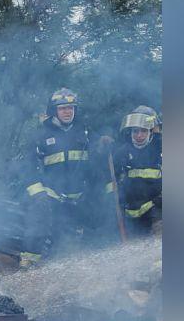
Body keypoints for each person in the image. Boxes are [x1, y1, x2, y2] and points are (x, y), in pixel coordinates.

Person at [21, 87, 93, 260]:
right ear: (54, 111)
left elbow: (96, 165)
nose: (67, 112)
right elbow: (27, 166)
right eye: (62, 108)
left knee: (69, 247)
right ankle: (29, 262)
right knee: (39, 224)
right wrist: (38, 194)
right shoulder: (41, 135)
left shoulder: (85, 132)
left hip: (80, 199)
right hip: (52, 198)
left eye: (70, 108)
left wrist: (104, 146)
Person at [107, 105, 163, 236]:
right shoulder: (122, 153)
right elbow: (112, 181)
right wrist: (114, 200)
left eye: (143, 131)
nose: (139, 135)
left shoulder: (160, 149)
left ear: (151, 131)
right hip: (130, 213)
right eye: (135, 131)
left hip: (157, 209)